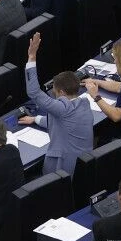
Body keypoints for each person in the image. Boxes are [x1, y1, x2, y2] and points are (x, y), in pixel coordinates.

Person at [20, 35, 93, 173]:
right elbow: (62, 123)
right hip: (84, 166)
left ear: (61, 92)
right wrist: (35, 119)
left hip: (63, 168)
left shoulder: (63, 108)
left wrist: (31, 57)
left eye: (54, 90)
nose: (52, 93)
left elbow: (34, 92)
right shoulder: (84, 103)